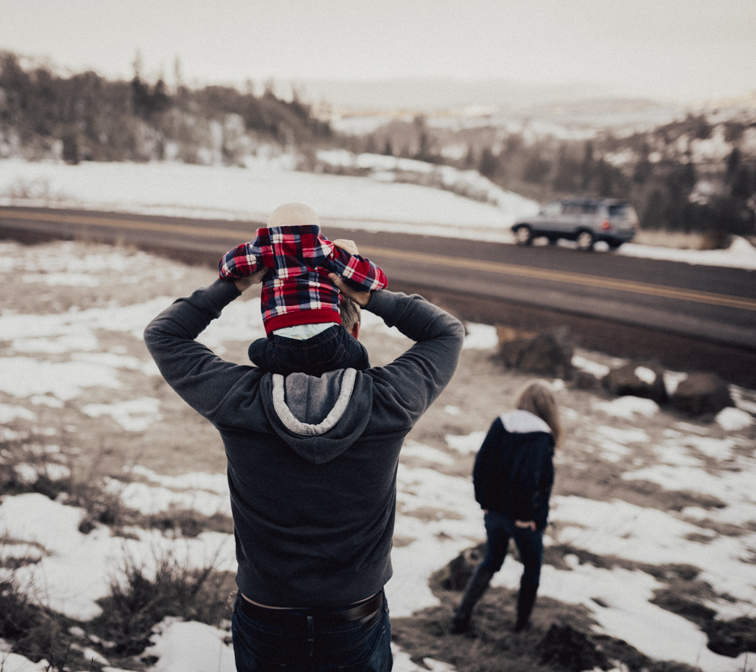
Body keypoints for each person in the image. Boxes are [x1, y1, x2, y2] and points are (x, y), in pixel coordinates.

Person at [143, 267, 463, 671]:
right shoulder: (388, 403)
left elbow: (164, 334)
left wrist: (235, 283)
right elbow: (447, 332)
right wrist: (368, 291)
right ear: (354, 331)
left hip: (266, 616)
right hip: (354, 617)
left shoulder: (238, 401)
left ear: (271, 332)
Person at [218, 202, 388, 377]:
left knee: (255, 349)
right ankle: (362, 386)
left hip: (282, 350)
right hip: (330, 342)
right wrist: (353, 258)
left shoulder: (262, 252)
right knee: (359, 355)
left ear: (270, 233)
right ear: (316, 232)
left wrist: (251, 249)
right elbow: (376, 280)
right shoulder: (328, 252)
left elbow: (226, 268)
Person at [450, 380, 561, 635]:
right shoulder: (542, 436)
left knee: (490, 561)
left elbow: (481, 466)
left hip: (495, 514)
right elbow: (534, 481)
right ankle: (521, 626)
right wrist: (528, 517)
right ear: (548, 408)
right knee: (532, 568)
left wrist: (485, 503)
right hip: (524, 520)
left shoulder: (502, 423)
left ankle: (461, 616)